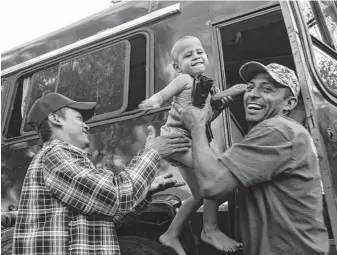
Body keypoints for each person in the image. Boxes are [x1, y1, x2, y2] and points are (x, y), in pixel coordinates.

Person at [171, 61, 329, 255]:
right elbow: (223, 185)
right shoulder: (284, 131)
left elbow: (212, 184)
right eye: (250, 87)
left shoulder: (278, 130)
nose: (253, 94)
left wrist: (196, 126)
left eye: (267, 89)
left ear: (289, 103)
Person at [12, 92, 191, 255]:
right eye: (79, 118)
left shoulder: (63, 158)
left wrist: (145, 192)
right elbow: (116, 196)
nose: (86, 126)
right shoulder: (56, 154)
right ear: (55, 119)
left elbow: (107, 216)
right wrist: (152, 153)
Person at [139, 35, 241, 254]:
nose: (196, 56)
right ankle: (210, 229)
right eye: (188, 55)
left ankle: (171, 234)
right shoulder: (184, 80)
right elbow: (164, 94)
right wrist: (154, 101)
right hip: (178, 140)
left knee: (198, 195)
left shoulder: (208, 87)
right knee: (212, 176)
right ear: (178, 66)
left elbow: (202, 118)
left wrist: (224, 101)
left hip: (189, 142)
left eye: (199, 52)